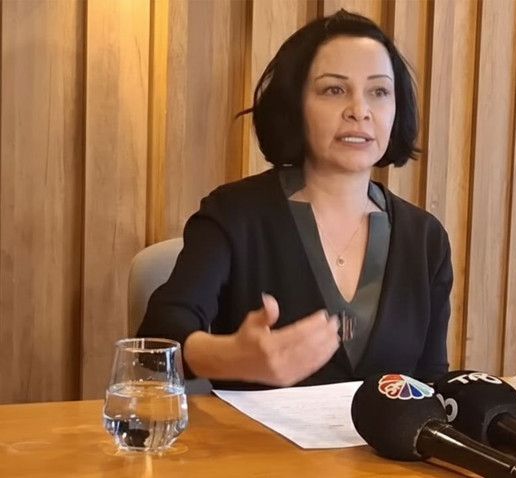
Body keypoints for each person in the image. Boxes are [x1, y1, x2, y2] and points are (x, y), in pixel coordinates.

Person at [137, 10, 452, 390]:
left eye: (379, 92)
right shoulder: (234, 214)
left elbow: (432, 382)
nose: (359, 110)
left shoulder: (425, 239)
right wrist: (229, 356)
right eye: (334, 90)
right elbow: (156, 337)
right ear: (295, 105)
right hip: (252, 432)